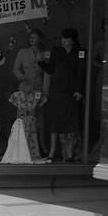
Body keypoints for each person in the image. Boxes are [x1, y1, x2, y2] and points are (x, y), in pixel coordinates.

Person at [40, 27, 86, 161]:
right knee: (55, 122)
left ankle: (70, 153)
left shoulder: (80, 53)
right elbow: (51, 69)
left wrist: (79, 90)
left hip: (71, 92)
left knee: (71, 122)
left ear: (72, 41)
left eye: (66, 39)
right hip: (57, 91)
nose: (64, 41)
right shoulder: (57, 51)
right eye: (63, 39)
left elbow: (81, 72)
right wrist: (42, 62)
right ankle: (53, 152)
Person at [12, 28, 50, 155]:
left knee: (40, 119)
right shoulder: (23, 52)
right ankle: (20, 145)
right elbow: (15, 69)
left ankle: (42, 146)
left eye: (34, 37)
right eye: (30, 37)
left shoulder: (44, 53)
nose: (32, 39)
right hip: (25, 88)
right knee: (23, 118)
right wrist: (21, 76)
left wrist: (45, 91)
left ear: (39, 38)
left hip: (38, 88)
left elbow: (47, 73)